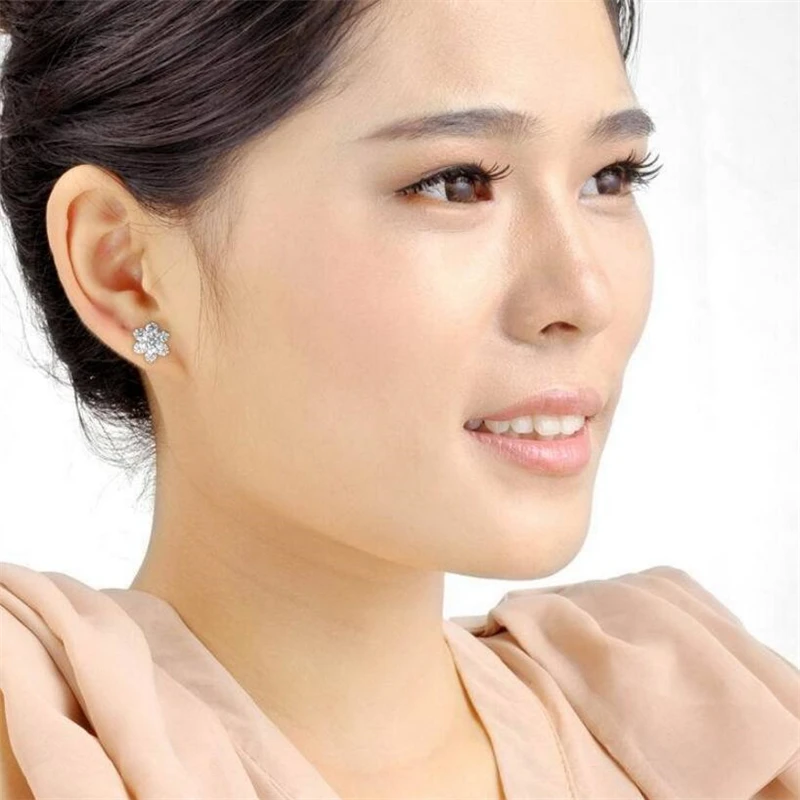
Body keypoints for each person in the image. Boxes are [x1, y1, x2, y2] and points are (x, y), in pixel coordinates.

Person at [0, 0, 797, 797]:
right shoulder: (44, 758)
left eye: (609, 176)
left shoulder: (716, 737)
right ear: (127, 271)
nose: (584, 297)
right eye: (457, 184)